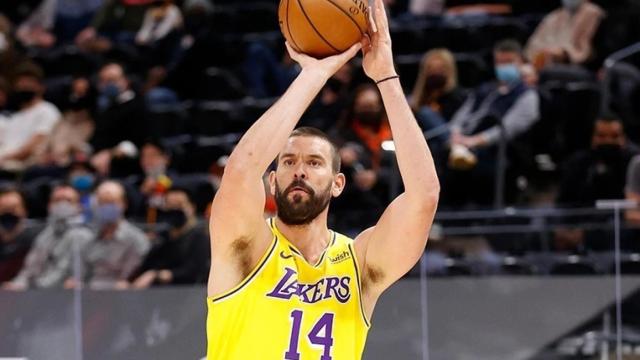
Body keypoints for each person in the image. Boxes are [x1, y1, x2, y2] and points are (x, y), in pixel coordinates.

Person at [206, 0, 440, 358]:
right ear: (272, 181)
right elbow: (240, 172)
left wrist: (386, 77)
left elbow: (423, 196)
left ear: (337, 183)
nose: (299, 169)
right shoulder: (245, 247)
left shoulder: (358, 264)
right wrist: (314, 76)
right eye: (288, 161)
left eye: (314, 162)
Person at [441, 39, 539, 208]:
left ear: (522, 63)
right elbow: (462, 115)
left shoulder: (527, 95)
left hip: (498, 149)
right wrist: (456, 133)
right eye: (499, 62)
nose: (503, 66)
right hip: (463, 143)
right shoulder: (485, 89)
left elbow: (508, 128)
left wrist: (473, 141)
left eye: (508, 62)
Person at [3, 184, 93, 290]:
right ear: (49, 206)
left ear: (79, 207)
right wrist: (17, 284)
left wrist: (33, 288)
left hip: (65, 296)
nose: (62, 205)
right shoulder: (44, 235)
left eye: (68, 201)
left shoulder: (83, 235)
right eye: (57, 200)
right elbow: (30, 269)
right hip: (39, 295)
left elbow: (62, 273)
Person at [67, 180, 149, 290]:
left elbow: (126, 282)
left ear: (123, 204)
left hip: (120, 299)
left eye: (112, 202)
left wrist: (90, 287)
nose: (107, 207)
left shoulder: (136, 239)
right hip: (88, 298)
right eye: (102, 202)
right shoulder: (88, 238)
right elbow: (80, 275)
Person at [129, 187, 209, 288]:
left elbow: (194, 271)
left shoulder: (199, 236)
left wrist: (158, 275)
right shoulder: (162, 238)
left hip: (188, 292)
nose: (175, 210)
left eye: (179, 205)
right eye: (170, 206)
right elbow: (146, 266)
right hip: (157, 293)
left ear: (192, 207)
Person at [0, 62, 61, 173]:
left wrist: (6, 158)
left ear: (40, 87)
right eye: (21, 82)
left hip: (23, 167)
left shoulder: (47, 110)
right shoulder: (14, 117)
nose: (24, 86)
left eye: (29, 82)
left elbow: (35, 145)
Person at [525, 0, 604, 69]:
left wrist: (564, 53)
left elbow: (585, 48)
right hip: (544, 62)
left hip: (578, 65)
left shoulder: (592, 12)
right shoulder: (555, 15)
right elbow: (535, 44)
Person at [0, 188, 41, 282]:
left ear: (24, 211)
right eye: (4, 209)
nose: (9, 213)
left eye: (13, 208)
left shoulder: (37, 238)